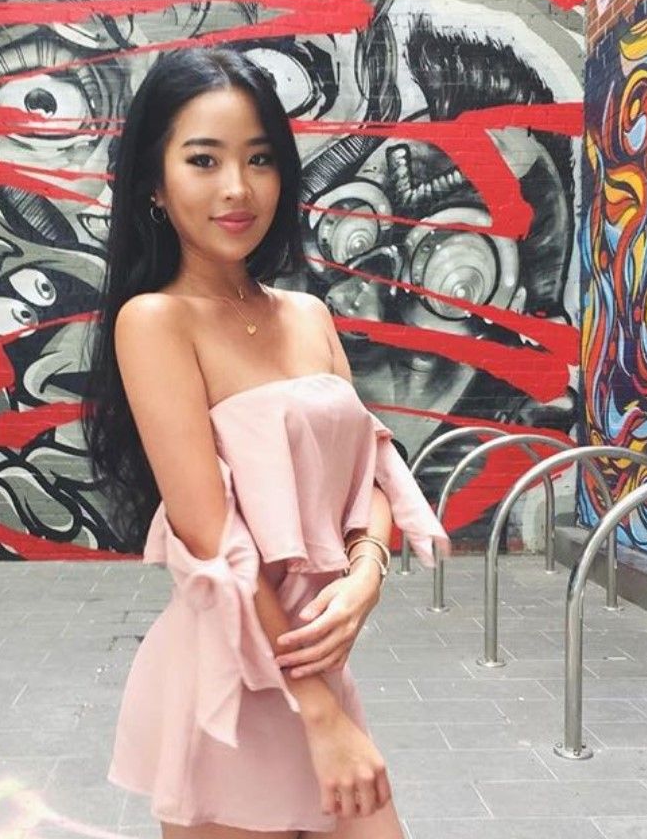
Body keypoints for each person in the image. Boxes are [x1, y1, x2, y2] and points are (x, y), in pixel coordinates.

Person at [82, 46, 451, 839]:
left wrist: (366, 574)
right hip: (235, 682)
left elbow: (371, 470)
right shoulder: (155, 322)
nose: (237, 188)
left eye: (259, 159)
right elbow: (212, 538)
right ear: (154, 183)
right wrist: (320, 716)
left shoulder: (308, 315)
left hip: (314, 662)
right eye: (203, 160)